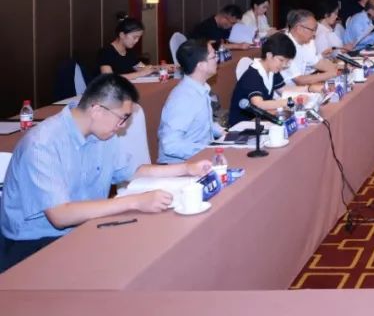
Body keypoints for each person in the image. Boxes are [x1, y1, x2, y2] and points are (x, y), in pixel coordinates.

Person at [0, 74, 212, 273]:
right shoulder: (43, 143)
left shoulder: (102, 135)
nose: (122, 127)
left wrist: (186, 168)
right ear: (97, 110)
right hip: (34, 244)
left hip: (83, 229)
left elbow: (133, 171)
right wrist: (135, 202)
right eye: (122, 118)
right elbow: (60, 215)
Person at [157, 39, 225, 164]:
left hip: (200, 159)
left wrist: (222, 132)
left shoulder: (200, 88)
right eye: (213, 56)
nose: (217, 59)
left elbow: (202, 123)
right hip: (181, 166)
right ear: (200, 65)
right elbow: (170, 145)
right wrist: (208, 150)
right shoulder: (183, 98)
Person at [228, 32, 298, 127]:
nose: (284, 65)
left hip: (260, 120)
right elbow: (258, 104)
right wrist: (287, 102)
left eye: (286, 62)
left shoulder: (272, 70)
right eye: (281, 60)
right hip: (242, 126)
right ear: (269, 55)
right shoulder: (252, 75)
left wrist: (308, 89)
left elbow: (285, 90)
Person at [280, 9, 340, 86]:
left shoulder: (307, 42)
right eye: (312, 30)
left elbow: (316, 62)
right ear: (299, 28)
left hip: (302, 87)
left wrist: (338, 69)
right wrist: (330, 74)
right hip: (288, 90)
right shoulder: (284, 45)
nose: (314, 34)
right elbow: (299, 80)